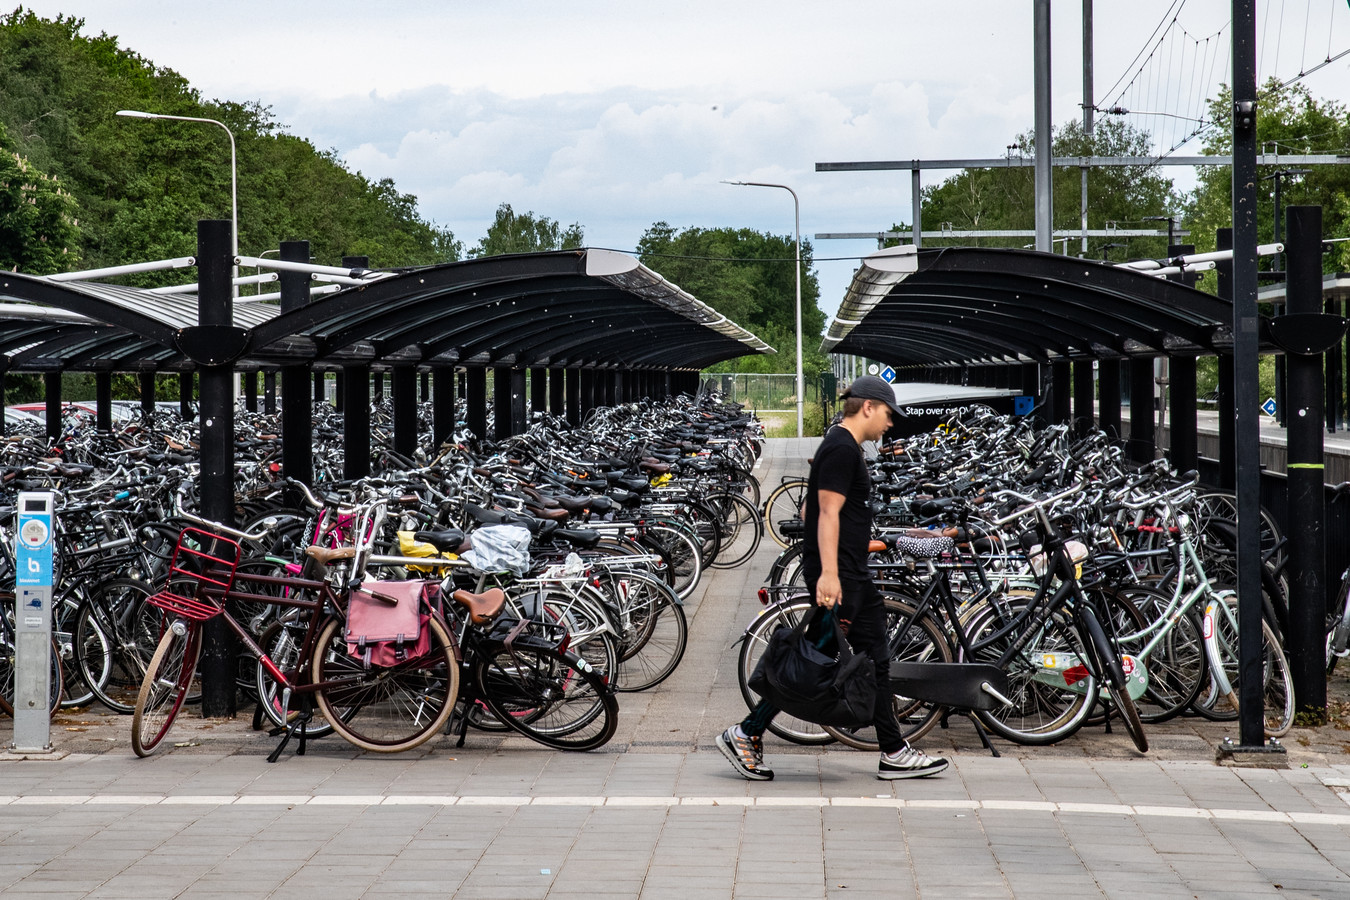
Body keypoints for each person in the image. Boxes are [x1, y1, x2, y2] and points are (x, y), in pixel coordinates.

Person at [718, 375, 949, 782]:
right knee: (814, 665)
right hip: (840, 577)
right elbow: (824, 514)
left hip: (850, 573)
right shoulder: (842, 448)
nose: (890, 424)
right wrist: (828, 573)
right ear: (868, 408)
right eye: (888, 415)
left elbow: (810, 511)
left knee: (875, 659)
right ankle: (746, 732)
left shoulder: (840, 445)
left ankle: (893, 750)